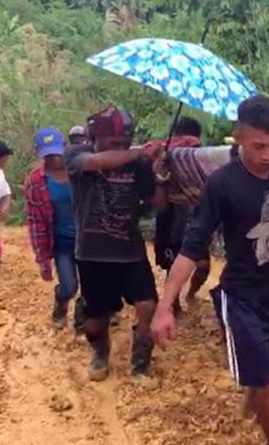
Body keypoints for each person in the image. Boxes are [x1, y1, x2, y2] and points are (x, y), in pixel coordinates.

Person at [151, 96, 269, 445]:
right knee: (266, 383)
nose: (267, 154)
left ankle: (255, 388)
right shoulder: (222, 184)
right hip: (242, 298)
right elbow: (192, 248)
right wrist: (164, 307)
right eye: (258, 146)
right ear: (238, 137)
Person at [64, 105, 166, 381]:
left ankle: (140, 365)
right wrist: (138, 154)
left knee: (147, 306)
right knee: (96, 321)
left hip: (130, 251)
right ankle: (100, 355)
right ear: (95, 137)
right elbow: (94, 164)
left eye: (124, 142)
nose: (121, 148)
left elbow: (157, 203)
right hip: (93, 254)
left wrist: (158, 172)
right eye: (114, 143)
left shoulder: (138, 162)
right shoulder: (76, 154)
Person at [24, 127, 85, 332]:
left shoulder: (81, 170)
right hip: (62, 244)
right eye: (48, 155)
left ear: (65, 147)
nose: (54, 159)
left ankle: (81, 318)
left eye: (57, 153)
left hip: (88, 241)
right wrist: (43, 261)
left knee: (91, 287)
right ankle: (61, 303)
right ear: (39, 153)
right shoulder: (35, 181)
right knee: (69, 286)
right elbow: (36, 224)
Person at [151, 117, 211, 317]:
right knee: (179, 263)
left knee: (195, 264)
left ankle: (186, 297)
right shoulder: (169, 153)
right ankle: (175, 303)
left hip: (186, 218)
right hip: (176, 218)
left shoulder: (170, 152)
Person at [0, 142, 13, 263]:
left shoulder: (1, 174)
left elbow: (7, 193)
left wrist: (5, 206)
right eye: (5, 158)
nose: (6, 161)